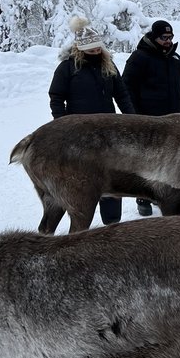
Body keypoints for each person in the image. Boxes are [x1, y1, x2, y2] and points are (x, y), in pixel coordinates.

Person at [49, 16, 134, 225]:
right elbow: (56, 97)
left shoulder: (109, 65)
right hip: (79, 133)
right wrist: (62, 126)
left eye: (98, 47)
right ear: (80, 48)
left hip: (109, 131)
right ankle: (79, 221)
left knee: (113, 173)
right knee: (84, 177)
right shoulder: (67, 68)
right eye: (91, 48)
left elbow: (121, 95)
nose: (96, 51)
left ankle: (112, 221)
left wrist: (132, 119)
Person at [123, 20, 180, 215]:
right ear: (155, 37)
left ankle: (163, 194)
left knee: (170, 160)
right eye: (164, 38)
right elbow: (126, 87)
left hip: (174, 120)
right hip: (149, 121)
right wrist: (134, 117)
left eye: (170, 37)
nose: (168, 41)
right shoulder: (139, 58)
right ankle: (143, 198)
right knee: (147, 162)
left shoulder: (175, 58)